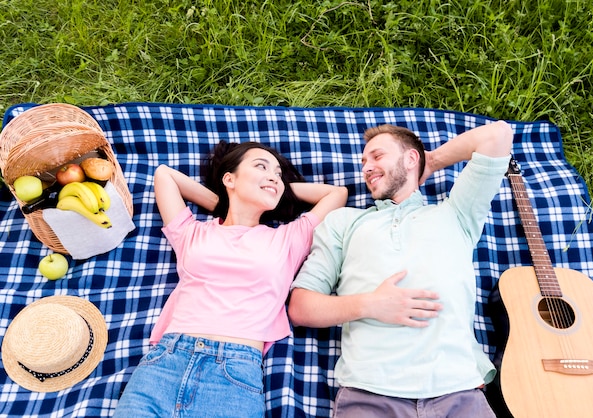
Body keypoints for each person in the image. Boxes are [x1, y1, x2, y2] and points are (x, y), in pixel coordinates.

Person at [288, 121, 513, 418]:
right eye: (364, 162)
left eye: (377, 156)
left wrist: (430, 161)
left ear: (410, 159)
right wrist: (372, 304)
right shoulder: (344, 222)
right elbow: (301, 307)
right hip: (370, 395)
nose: (367, 167)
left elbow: (498, 135)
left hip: (457, 392)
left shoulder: (456, 212)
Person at [114, 140, 348, 418]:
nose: (274, 176)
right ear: (229, 178)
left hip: (234, 372)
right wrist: (222, 202)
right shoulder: (192, 232)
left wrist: (276, 189)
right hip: (165, 363)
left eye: (278, 174)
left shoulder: (288, 239)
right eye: (261, 166)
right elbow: (165, 175)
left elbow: (337, 194)